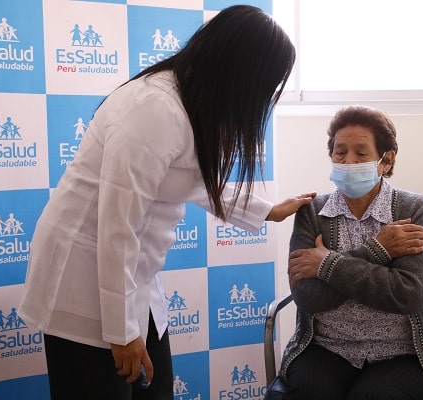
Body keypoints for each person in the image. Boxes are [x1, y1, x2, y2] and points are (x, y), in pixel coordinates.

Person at [18, 5, 314, 400]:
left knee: (155, 388)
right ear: (238, 71)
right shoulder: (154, 109)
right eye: (264, 85)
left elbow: (190, 179)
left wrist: (266, 211)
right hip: (83, 274)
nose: (261, 98)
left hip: (128, 272)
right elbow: (117, 226)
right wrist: (122, 333)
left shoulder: (189, 103)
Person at [279, 106, 423, 399]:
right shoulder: (311, 212)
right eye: (340, 152)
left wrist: (326, 264)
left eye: (361, 154)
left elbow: (408, 295)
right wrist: (378, 250)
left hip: (404, 352)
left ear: (387, 160)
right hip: (327, 348)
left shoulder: (416, 210)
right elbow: (309, 298)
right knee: (311, 392)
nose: (348, 161)